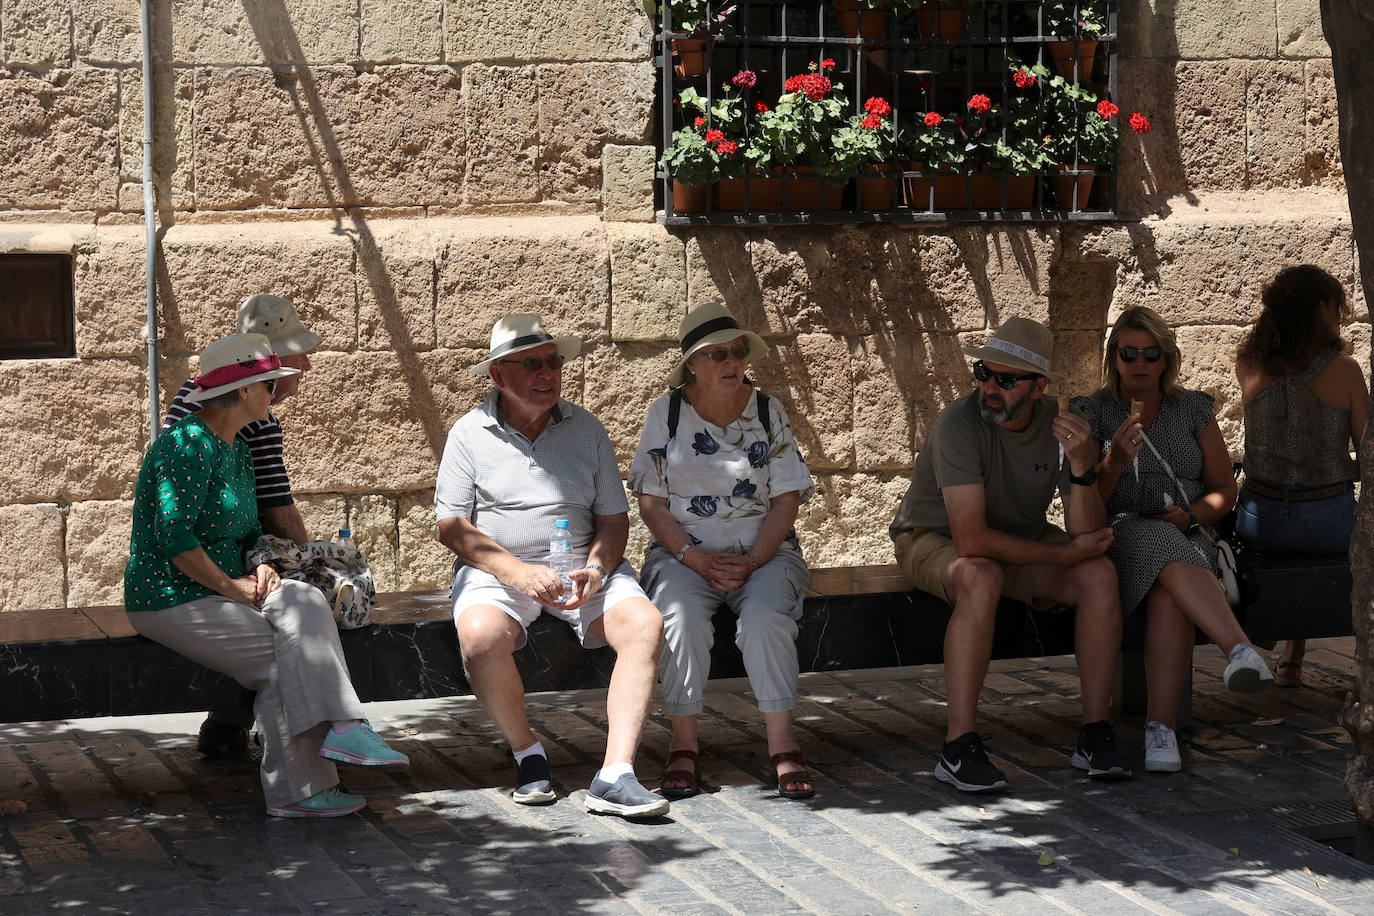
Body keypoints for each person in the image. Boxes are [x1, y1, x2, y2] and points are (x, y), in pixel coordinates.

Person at [124, 333, 408, 819]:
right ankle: (302, 788)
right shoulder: (186, 446)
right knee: (288, 661)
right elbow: (173, 537)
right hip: (172, 597)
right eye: (268, 384)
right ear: (242, 390)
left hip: (228, 588)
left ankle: (343, 732)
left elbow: (251, 528)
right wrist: (231, 586)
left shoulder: (236, 447)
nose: (275, 393)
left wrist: (258, 563)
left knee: (305, 600)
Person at [434, 314, 669, 820]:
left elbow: (614, 520)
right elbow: (451, 526)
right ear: (497, 375)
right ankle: (528, 754)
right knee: (479, 635)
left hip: (582, 565)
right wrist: (515, 571)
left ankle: (616, 774)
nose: (547, 373)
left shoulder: (586, 428)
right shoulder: (469, 433)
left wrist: (597, 570)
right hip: (500, 572)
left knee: (645, 623)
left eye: (553, 362)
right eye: (531, 364)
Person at [890, 317, 1132, 793]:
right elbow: (971, 541)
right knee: (980, 576)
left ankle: (1094, 732)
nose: (989, 387)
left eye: (1005, 379)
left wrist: (1082, 465)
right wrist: (1064, 555)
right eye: (983, 372)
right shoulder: (958, 424)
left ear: (1039, 387)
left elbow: (1085, 532)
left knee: (1100, 575)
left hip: (1017, 539)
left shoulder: (1062, 426)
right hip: (932, 538)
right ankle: (958, 745)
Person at [628, 303, 817, 800]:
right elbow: (651, 503)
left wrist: (753, 560)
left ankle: (782, 744)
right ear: (691, 364)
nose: (732, 362)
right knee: (679, 617)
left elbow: (786, 499)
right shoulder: (667, 413)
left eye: (738, 352)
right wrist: (694, 558)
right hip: (682, 556)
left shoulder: (768, 411)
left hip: (765, 554)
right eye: (717, 354)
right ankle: (683, 744)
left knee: (765, 619)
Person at [1074, 306, 1272, 775]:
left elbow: (1223, 490)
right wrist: (1114, 463)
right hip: (1120, 530)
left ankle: (1160, 728)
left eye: (1151, 353)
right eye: (1129, 353)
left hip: (1187, 534)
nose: (1140, 362)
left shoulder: (1193, 409)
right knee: (1155, 541)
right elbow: (1087, 502)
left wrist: (1192, 516)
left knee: (1170, 594)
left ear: (1166, 359)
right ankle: (1238, 649)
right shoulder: (1092, 412)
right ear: (1114, 358)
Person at [164, 294, 321, 758]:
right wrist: (309, 563)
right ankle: (302, 734)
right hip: (205, 572)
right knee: (305, 614)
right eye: (296, 356)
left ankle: (229, 724)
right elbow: (277, 509)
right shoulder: (252, 421)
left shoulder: (198, 395)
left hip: (201, 562)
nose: (306, 366)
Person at [1235, 265, 1367, 687]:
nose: (1340, 316)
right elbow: (1368, 454)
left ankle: (1292, 658)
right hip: (1327, 523)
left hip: (1258, 524)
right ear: (1320, 308)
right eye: (1336, 307)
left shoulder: (1248, 362)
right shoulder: (1345, 370)